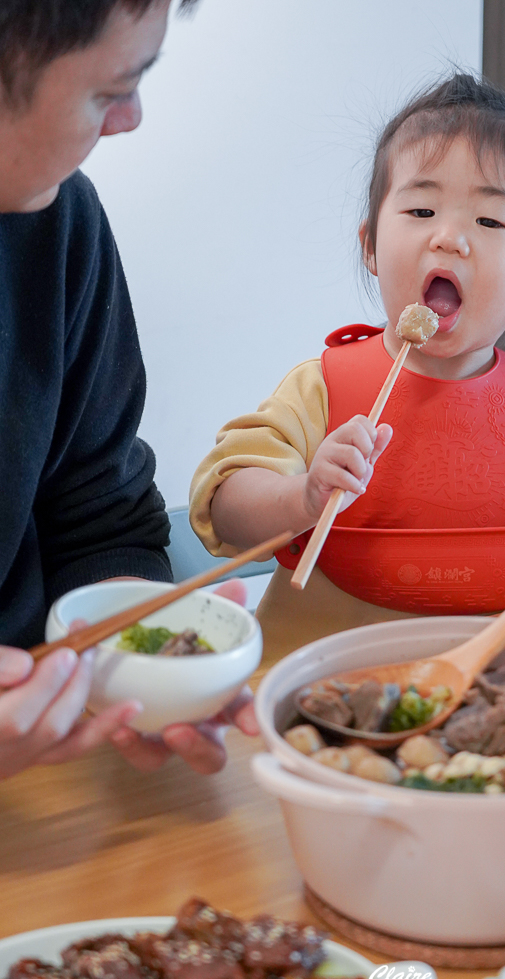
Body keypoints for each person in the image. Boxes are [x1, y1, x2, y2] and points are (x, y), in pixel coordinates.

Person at [189, 73, 505, 666]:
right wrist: (300, 497)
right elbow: (225, 502)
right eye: (421, 208)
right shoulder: (320, 391)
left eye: (489, 221)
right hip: (322, 685)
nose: (450, 237)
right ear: (371, 248)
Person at [0, 0, 258, 779]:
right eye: (111, 90)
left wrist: (151, 657)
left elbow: (99, 514)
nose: (130, 119)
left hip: (44, 769)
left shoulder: (59, 223)